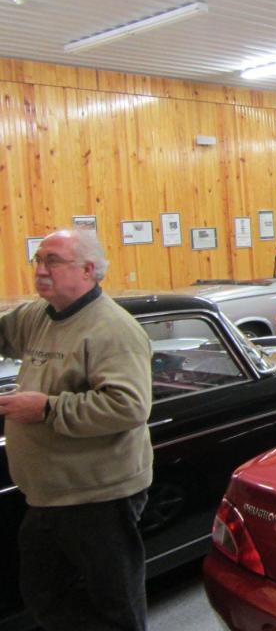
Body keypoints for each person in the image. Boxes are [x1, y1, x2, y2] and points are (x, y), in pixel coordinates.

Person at [0, 229, 152, 631]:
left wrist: (47, 409)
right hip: (48, 493)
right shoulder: (39, 316)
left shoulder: (112, 329)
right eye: (38, 260)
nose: (41, 270)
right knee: (44, 593)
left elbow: (128, 406)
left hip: (98, 496)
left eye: (52, 260)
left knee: (114, 604)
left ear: (87, 270)